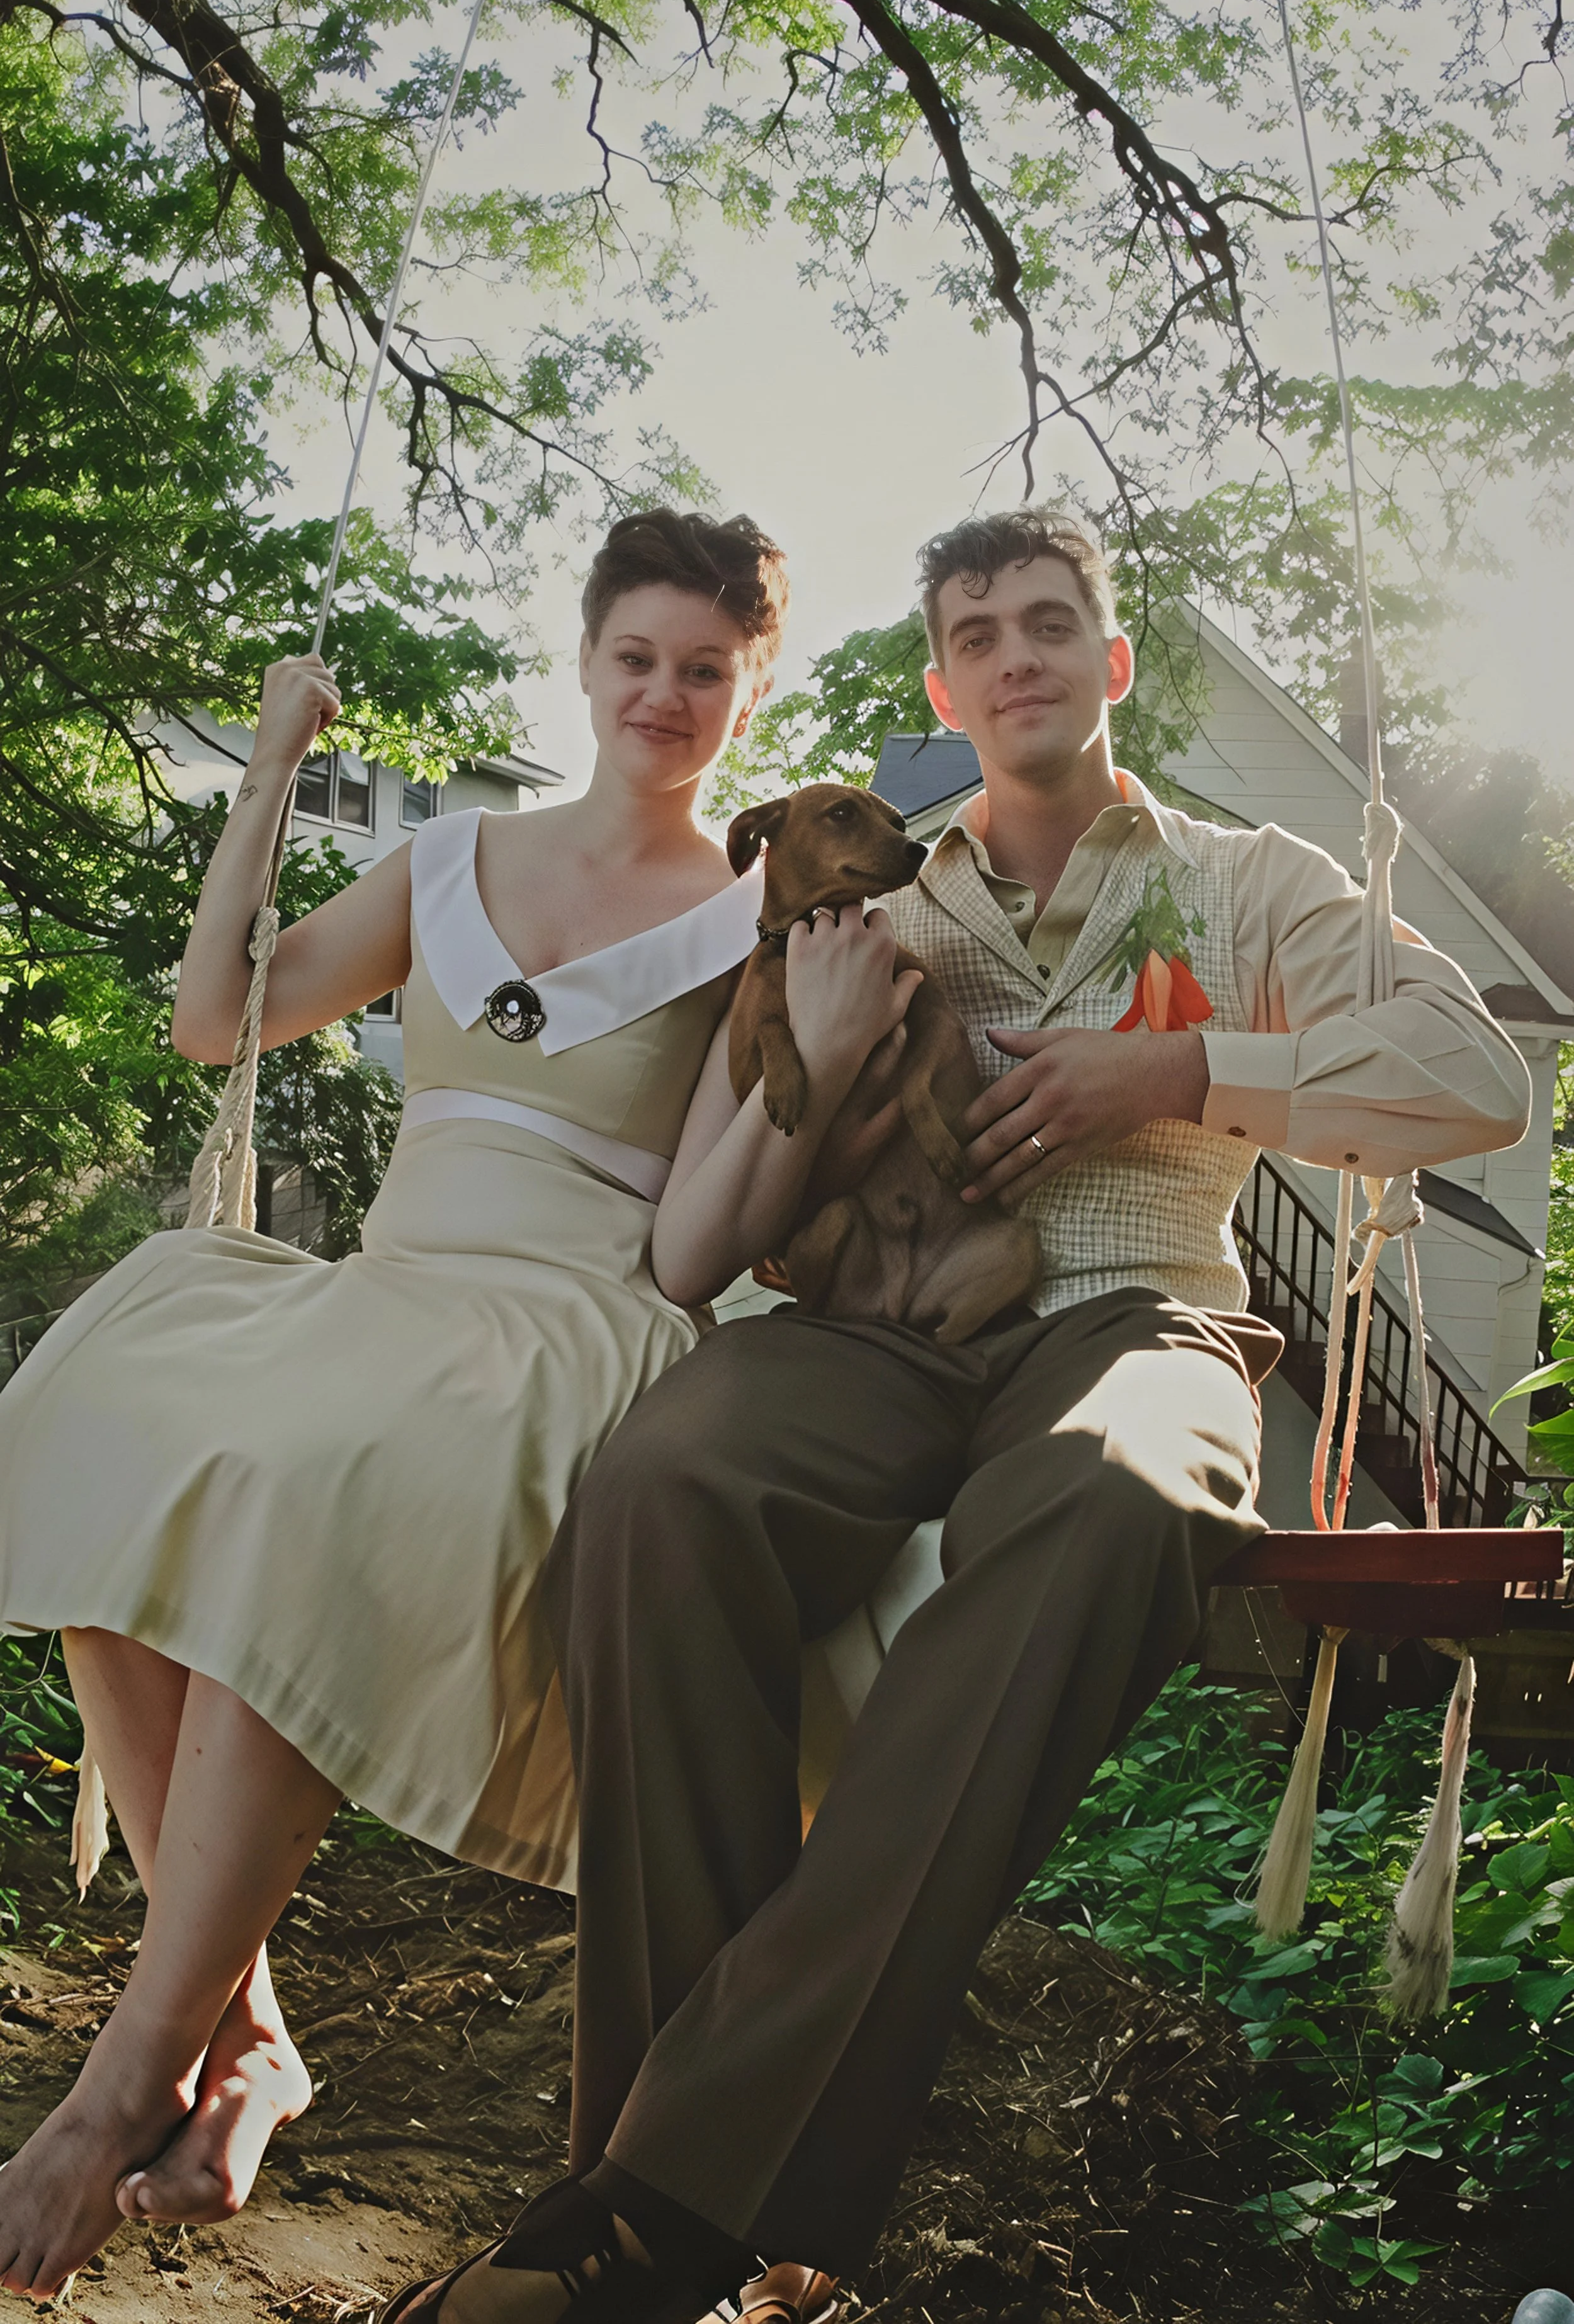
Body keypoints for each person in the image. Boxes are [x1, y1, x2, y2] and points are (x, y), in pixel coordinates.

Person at [381, 507, 1534, 2324]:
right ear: (941, 683)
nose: (1015, 655)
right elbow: (714, 1198)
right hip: (878, 1329)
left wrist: (1181, 1066)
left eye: (1050, 623)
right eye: (976, 631)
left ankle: (634, 2221)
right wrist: (820, 1055)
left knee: (1106, 1491)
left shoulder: (1250, 884)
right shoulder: (875, 907)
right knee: (669, 1475)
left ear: (1108, 662)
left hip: (1134, 1308)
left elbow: (1474, 1078)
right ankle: (665, 2194)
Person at [0, 509, 912, 2308]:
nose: (665, 694)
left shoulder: (758, 915)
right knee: (104, 1416)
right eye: (636, 655)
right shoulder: (448, 861)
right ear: (582, 660)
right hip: (391, 1293)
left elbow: (696, 1234)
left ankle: (122, 2083)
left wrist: (819, 1031)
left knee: (318, 1483)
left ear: (749, 690)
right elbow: (212, 1022)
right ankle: (246, 2029)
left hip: (565, 1325)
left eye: (704, 670)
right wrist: (268, 772)